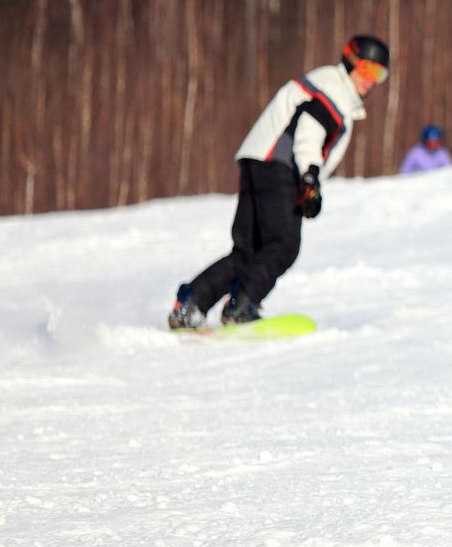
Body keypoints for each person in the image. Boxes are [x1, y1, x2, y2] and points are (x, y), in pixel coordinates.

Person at [167, 35, 389, 328]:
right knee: (283, 244)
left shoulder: (329, 86)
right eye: (367, 69)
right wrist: (310, 176)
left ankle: (192, 303)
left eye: (380, 74)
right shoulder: (334, 88)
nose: (372, 80)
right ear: (350, 62)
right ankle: (242, 305)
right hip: (279, 165)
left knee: (249, 252)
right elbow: (310, 130)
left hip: (257, 160)